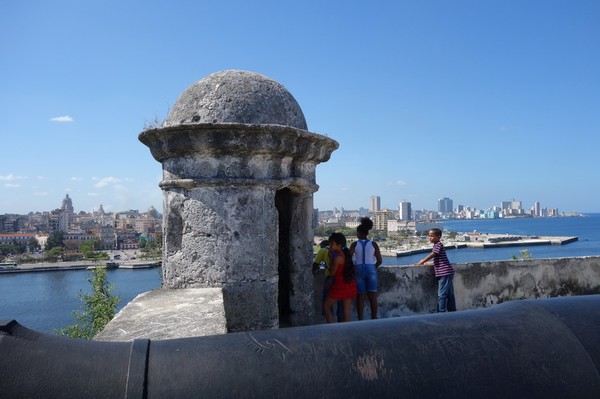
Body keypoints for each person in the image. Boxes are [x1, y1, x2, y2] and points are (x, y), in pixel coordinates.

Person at [416, 228, 456, 312]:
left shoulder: (438, 245)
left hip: (444, 273)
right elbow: (436, 262)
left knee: (442, 295)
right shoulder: (437, 246)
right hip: (446, 272)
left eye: (431, 236)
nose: (429, 238)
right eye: (429, 236)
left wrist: (422, 261)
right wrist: (425, 263)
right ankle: (452, 311)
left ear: (438, 237)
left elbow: (433, 254)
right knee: (449, 294)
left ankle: (441, 312)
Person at [350, 217, 382, 320]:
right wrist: (373, 267)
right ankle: (374, 317)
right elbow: (379, 260)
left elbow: (348, 259)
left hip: (359, 269)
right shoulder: (373, 244)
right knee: (372, 296)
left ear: (358, 233)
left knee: (361, 296)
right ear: (367, 233)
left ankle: (360, 319)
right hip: (371, 269)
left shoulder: (354, 244)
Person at [323, 232, 357, 323]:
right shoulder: (345, 254)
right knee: (346, 312)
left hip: (339, 285)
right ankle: (347, 331)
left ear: (339, 245)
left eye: (332, 244)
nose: (330, 245)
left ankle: (331, 327)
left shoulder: (337, 258)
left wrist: (330, 257)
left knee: (326, 306)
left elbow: (332, 273)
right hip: (348, 284)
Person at [312, 240, 343, 321]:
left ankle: (330, 322)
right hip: (340, 278)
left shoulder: (323, 251)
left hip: (330, 277)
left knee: (327, 302)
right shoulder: (341, 251)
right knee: (340, 302)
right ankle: (341, 322)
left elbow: (315, 264)